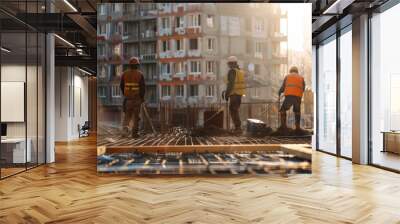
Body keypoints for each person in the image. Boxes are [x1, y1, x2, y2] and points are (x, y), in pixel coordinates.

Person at [120, 57, 145, 138]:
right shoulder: (140, 74)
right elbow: (142, 88)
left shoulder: (124, 74)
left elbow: (121, 86)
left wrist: (126, 94)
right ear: (137, 65)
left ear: (130, 65)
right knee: (136, 117)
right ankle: (134, 134)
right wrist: (142, 98)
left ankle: (125, 132)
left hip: (128, 100)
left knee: (127, 116)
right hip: (137, 99)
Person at [278, 66, 305, 131]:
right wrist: (298, 93)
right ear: (297, 71)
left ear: (290, 71)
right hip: (298, 97)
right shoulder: (301, 78)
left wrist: (279, 92)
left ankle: (283, 126)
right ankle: (297, 127)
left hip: (289, 96)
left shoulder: (287, 76)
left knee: (283, 110)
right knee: (297, 112)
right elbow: (303, 88)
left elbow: (283, 87)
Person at [224, 56, 246, 133]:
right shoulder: (240, 71)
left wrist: (227, 94)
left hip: (234, 94)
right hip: (239, 94)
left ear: (231, 63)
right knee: (235, 110)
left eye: (229, 64)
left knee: (233, 110)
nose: (228, 66)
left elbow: (231, 84)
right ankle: (238, 127)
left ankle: (238, 128)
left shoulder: (232, 71)